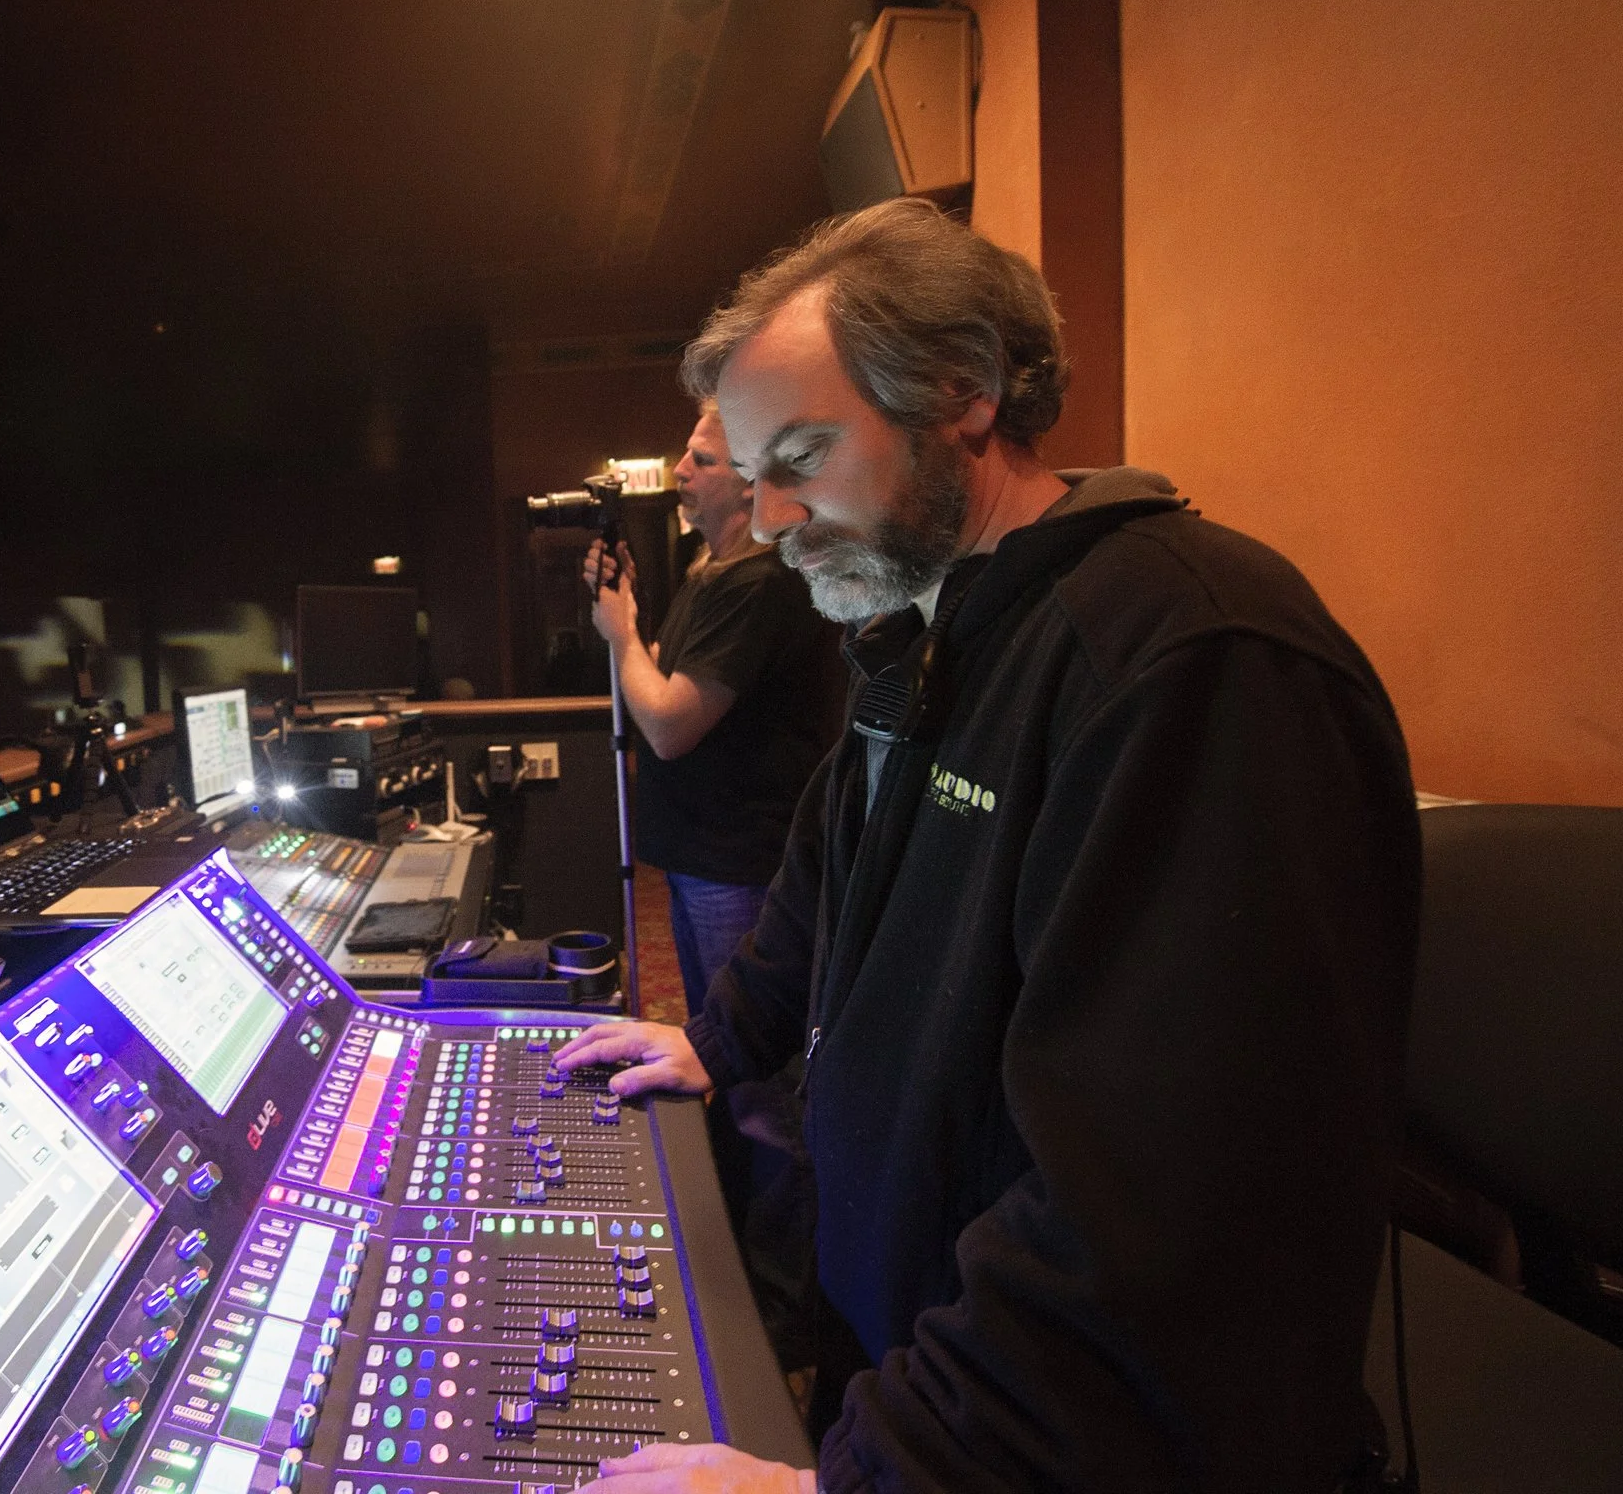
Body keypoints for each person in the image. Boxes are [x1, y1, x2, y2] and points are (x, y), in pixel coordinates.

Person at [559, 199, 1420, 1493]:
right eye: (755, 470)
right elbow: (829, 882)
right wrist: (716, 1037)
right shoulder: (929, 629)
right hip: (925, 1369)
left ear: (960, 390)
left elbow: (1148, 1223)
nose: (776, 516)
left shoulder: (1191, 660)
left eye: (801, 453)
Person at [583, 401, 834, 1012]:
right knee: (713, 1038)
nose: (681, 471)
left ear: (753, 485)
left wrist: (620, 634)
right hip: (706, 854)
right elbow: (671, 671)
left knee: (749, 1057)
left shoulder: (761, 582)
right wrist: (632, 610)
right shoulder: (711, 569)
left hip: (740, 863)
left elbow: (670, 725)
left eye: (703, 460)